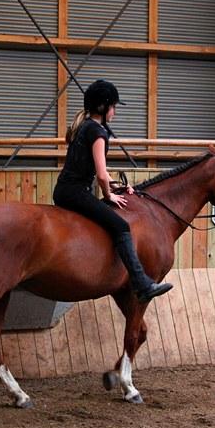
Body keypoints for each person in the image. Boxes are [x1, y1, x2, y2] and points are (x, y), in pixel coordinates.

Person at [53, 79, 173, 303]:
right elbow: (100, 174)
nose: (114, 112)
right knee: (121, 225)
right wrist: (108, 195)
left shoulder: (83, 126)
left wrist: (117, 185)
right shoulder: (98, 133)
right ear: (103, 107)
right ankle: (140, 282)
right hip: (77, 193)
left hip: (65, 190)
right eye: (113, 107)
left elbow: (100, 173)